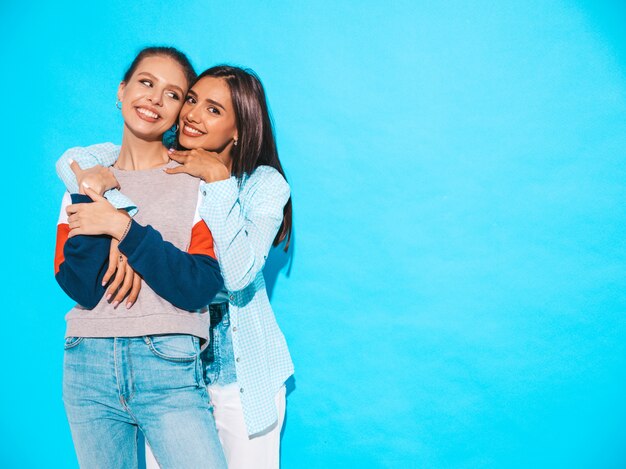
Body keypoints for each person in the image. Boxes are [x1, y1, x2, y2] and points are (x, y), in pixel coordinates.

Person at [57, 65, 294, 469]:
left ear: (239, 129)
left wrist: (218, 181)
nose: (193, 114)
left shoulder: (262, 184)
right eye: (192, 99)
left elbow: (236, 277)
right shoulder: (163, 161)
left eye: (214, 109)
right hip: (169, 360)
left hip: (239, 372)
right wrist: (118, 227)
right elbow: (74, 162)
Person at [54, 47, 227, 468]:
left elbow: (197, 287)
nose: (154, 99)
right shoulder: (85, 180)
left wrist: (122, 229)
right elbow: (78, 284)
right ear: (122, 90)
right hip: (87, 363)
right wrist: (93, 190)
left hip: (167, 364)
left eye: (172, 94)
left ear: (179, 111)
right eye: (146, 83)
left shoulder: (196, 184)